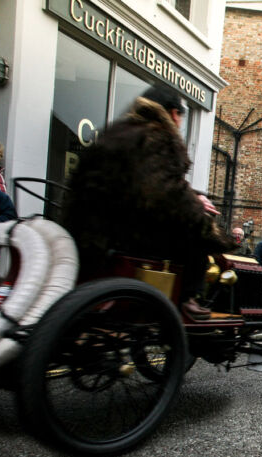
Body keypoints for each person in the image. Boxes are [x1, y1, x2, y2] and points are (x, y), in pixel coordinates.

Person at [63, 85, 231, 321]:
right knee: (196, 238)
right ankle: (186, 300)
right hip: (123, 235)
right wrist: (210, 229)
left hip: (86, 230)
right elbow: (164, 192)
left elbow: (138, 181)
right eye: (180, 116)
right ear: (173, 114)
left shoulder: (119, 132)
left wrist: (192, 195)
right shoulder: (156, 135)